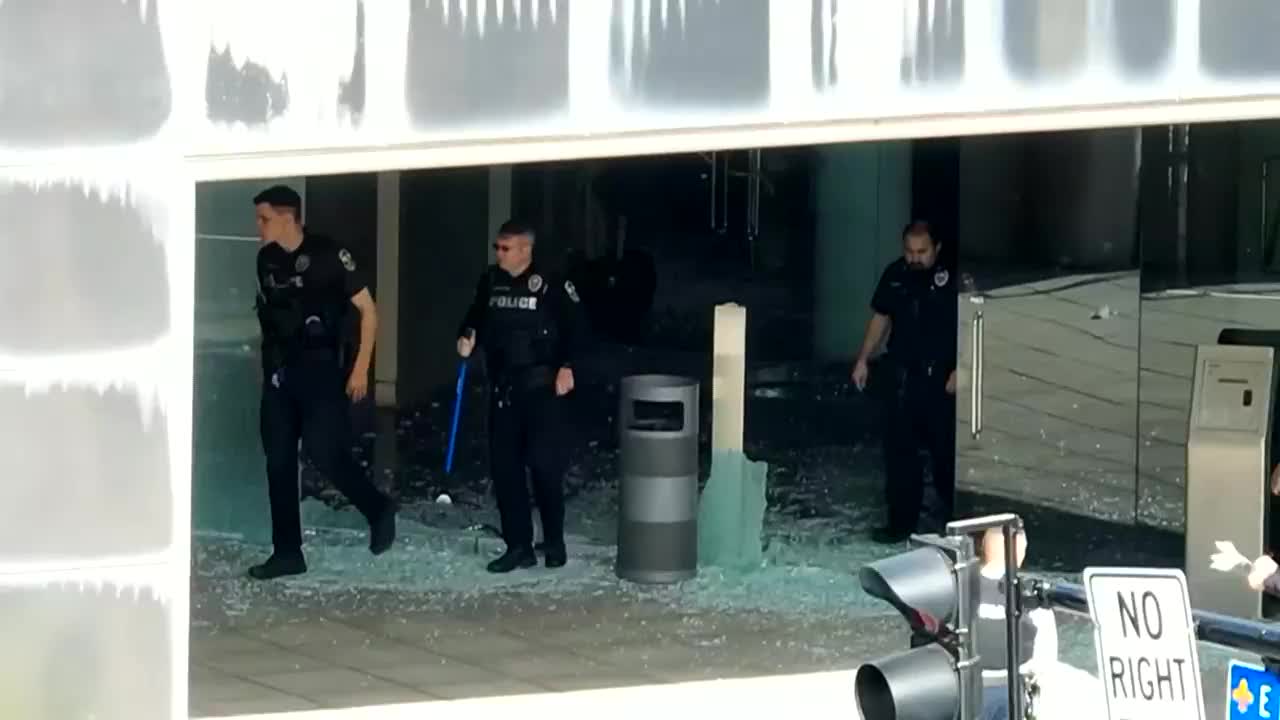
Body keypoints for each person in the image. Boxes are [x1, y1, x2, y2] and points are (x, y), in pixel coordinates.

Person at [248, 184, 396, 580]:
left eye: (264, 218)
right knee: (278, 459)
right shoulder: (266, 261)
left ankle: (377, 508)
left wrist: (361, 367)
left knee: (324, 452)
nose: (258, 226)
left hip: (321, 371)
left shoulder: (328, 254)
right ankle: (287, 552)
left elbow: (368, 310)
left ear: (287, 217)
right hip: (281, 372)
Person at [457, 220, 587, 573]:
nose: (499, 254)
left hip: (542, 387)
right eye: (497, 247)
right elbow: (476, 315)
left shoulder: (551, 282)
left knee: (544, 466)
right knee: (505, 470)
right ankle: (519, 546)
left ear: (525, 250)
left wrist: (568, 367)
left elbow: (577, 327)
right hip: (503, 387)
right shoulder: (491, 280)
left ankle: (554, 540)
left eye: (506, 248)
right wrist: (467, 335)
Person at [852, 220, 958, 544]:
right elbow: (880, 317)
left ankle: (953, 521)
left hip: (940, 376)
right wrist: (863, 358)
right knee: (900, 456)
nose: (915, 258)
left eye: (922, 252)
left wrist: (961, 367)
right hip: (902, 375)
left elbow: (968, 322)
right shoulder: (896, 274)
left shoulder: (951, 278)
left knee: (944, 456)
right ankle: (900, 524)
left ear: (936, 248)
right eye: (910, 251)